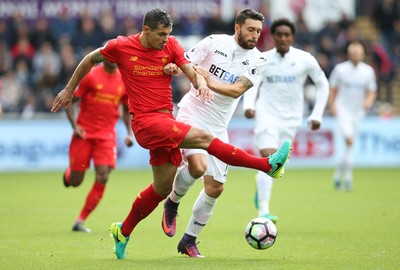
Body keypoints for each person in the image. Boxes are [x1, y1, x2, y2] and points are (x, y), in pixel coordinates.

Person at [51, 8, 291, 260]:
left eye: (169, 34)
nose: (166, 39)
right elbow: (90, 58)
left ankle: (123, 231)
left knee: (161, 188)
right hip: (146, 123)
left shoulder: (172, 45)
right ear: (146, 30)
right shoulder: (122, 46)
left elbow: (188, 68)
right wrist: (69, 90)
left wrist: (201, 84)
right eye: (161, 34)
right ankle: (266, 165)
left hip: (166, 120)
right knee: (205, 141)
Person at [161, 9, 274, 258]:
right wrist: (175, 69)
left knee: (215, 188)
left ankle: (188, 240)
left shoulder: (259, 59)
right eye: (250, 29)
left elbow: (236, 91)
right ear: (237, 27)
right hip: (191, 114)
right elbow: (185, 63)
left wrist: (205, 80)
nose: (255, 35)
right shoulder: (214, 42)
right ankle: (173, 201)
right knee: (198, 167)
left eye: (258, 31)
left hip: (218, 125)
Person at [242, 18, 329, 222]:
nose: (282, 38)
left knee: (276, 166)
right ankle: (263, 211)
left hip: (291, 119)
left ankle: (260, 187)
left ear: (292, 37)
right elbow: (252, 83)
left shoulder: (305, 59)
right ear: (273, 37)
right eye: (279, 34)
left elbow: (323, 84)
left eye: (286, 35)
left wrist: (317, 114)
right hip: (266, 115)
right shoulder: (263, 58)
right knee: (269, 159)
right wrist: (249, 105)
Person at [63, 59, 133, 233]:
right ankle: (69, 175)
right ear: (104, 57)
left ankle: (80, 220)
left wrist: (130, 133)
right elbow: (69, 99)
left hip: (107, 136)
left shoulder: (123, 79)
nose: (114, 59)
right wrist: (74, 125)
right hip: (84, 134)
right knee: (75, 182)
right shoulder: (90, 75)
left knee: (103, 176)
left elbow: (126, 109)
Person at [328, 41, 377, 191]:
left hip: (358, 112)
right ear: (349, 55)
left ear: (362, 54)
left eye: (358, 53)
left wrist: (368, 101)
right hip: (343, 110)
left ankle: (337, 175)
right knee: (349, 140)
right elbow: (332, 89)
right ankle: (348, 177)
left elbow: (372, 91)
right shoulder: (340, 69)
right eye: (353, 53)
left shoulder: (368, 71)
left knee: (349, 147)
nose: (356, 56)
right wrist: (332, 106)